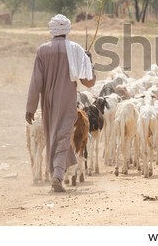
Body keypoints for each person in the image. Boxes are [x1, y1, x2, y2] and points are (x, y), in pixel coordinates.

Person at [25, 14, 96, 193]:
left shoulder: (43, 50)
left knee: (53, 136)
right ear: (67, 30)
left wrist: (30, 107)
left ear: (52, 30)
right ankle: (57, 175)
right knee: (63, 136)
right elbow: (89, 82)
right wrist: (89, 62)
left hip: (47, 103)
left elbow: (36, 82)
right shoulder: (75, 50)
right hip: (67, 101)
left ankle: (57, 172)